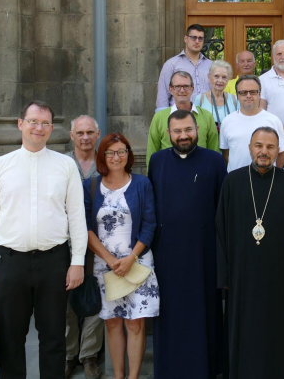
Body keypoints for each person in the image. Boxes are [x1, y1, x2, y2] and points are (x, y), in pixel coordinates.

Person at [0, 100, 87, 379]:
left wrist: (77, 262)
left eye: (45, 123)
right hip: (9, 261)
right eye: (33, 121)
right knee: (10, 338)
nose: (39, 128)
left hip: (54, 261)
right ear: (20, 124)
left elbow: (76, 216)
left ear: (52, 128)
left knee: (53, 337)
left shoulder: (65, 166)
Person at [216, 127, 284, 379]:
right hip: (242, 271)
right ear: (250, 148)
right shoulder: (233, 181)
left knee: (278, 327)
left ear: (278, 150)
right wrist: (224, 273)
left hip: (279, 271)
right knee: (246, 328)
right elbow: (221, 230)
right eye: (259, 145)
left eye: (270, 147)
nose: (264, 152)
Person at [148, 110, 227, 378]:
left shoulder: (215, 161)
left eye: (188, 130)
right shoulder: (157, 161)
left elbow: (222, 211)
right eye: (177, 131)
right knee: (170, 314)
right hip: (167, 255)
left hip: (203, 254)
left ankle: (208, 369)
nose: (183, 136)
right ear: (168, 134)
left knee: (204, 314)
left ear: (198, 130)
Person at [84, 133, 159, 379]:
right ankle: (118, 376)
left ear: (128, 154)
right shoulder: (91, 186)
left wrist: (130, 258)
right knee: (113, 322)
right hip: (105, 265)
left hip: (136, 263)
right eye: (110, 152)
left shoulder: (141, 183)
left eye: (121, 151)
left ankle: (133, 377)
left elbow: (149, 225)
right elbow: (85, 229)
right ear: (102, 155)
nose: (116, 157)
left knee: (135, 323)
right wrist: (110, 260)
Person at [65, 115, 104, 379]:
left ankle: (89, 354)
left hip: (100, 238)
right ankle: (68, 354)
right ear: (72, 136)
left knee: (97, 293)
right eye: (80, 133)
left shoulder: (107, 161)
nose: (85, 137)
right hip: (65, 240)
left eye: (90, 132)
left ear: (98, 134)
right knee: (65, 296)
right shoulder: (60, 164)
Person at [146, 71, 219, 169]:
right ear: (171, 89)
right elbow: (152, 150)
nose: (182, 90)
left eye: (186, 86)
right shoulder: (159, 117)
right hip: (169, 173)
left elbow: (213, 150)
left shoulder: (206, 116)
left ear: (192, 89)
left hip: (201, 172)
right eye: (177, 86)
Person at [219, 75, 284, 172]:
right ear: (237, 95)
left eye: (253, 92)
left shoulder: (273, 121)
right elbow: (226, 154)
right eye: (243, 92)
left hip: (266, 180)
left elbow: (281, 156)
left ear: (259, 94)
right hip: (237, 182)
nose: (248, 95)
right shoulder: (227, 121)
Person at [156, 24, 212, 110]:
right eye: (193, 37)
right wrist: (164, 119)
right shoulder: (171, 64)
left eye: (200, 38)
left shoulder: (211, 65)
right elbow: (162, 96)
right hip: (179, 116)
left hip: (206, 116)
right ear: (186, 39)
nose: (197, 41)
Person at [193, 60, 240, 132]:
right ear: (209, 77)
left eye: (224, 77)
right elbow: (194, 123)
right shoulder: (200, 99)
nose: (220, 80)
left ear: (228, 80)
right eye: (216, 76)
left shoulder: (235, 99)